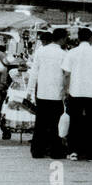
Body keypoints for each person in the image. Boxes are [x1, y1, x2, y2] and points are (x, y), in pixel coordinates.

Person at [61, 27, 92, 161]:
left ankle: (73, 152)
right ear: (91, 38)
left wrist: (65, 90)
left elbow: (66, 74)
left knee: (75, 121)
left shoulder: (71, 53)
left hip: (75, 92)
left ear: (78, 39)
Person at [27, 30, 67, 159]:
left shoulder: (40, 51)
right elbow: (66, 75)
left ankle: (37, 151)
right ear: (62, 39)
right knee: (55, 123)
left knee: (41, 123)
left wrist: (29, 90)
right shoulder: (63, 54)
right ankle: (55, 151)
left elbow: (34, 73)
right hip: (57, 94)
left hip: (42, 93)